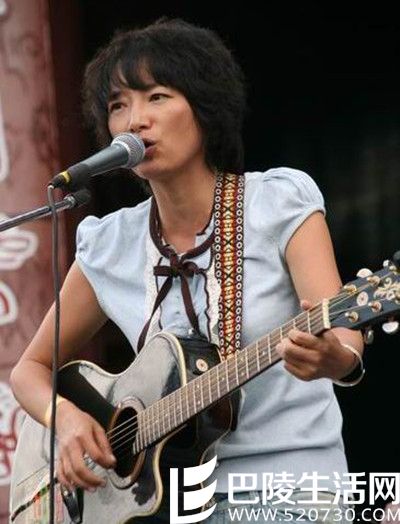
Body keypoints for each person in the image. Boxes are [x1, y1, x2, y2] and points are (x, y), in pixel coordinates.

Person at [10, 18, 364, 523]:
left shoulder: (278, 204)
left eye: (157, 97)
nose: (135, 120)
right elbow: (29, 369)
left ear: (204, 106)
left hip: (288, 490)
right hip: (168, 505)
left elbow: (346, 337)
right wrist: (64, 420)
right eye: (118, 105)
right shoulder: (110, 243)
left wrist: (336, 359)